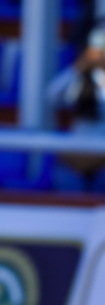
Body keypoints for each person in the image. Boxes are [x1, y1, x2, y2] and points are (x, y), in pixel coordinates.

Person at [47, 20, 105, 188]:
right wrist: (79, 67)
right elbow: (52, 95)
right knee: (64, 175)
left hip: (101, 161)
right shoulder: (82, 79)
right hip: (76, 160)